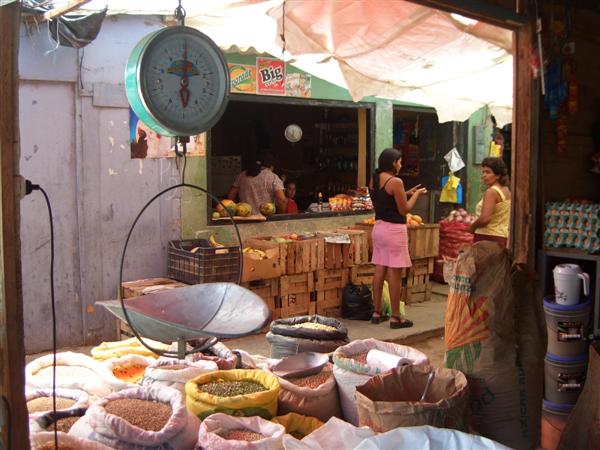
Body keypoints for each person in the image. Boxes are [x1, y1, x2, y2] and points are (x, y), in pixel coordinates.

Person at [369, 148, 427, 328]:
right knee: (395, 273)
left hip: (379, 228)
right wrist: (416, 195)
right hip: (394, 231)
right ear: (393, 163)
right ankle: (395, 316)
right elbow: (404, 210)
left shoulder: (374, 179)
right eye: (400, 162)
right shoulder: (396, 181)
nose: (401, 165)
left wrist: (406, 193)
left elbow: (386, 199)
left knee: (380, 269)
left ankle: (377, 312)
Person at [469, 156, 511, 247]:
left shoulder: (491, 192)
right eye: (483, 172)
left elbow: (485, 219)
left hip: (487, 237)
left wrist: (472, 226)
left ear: (498, 175)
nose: (484, 175)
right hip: (501, 236)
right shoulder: (506, 190)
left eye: (488, 172)